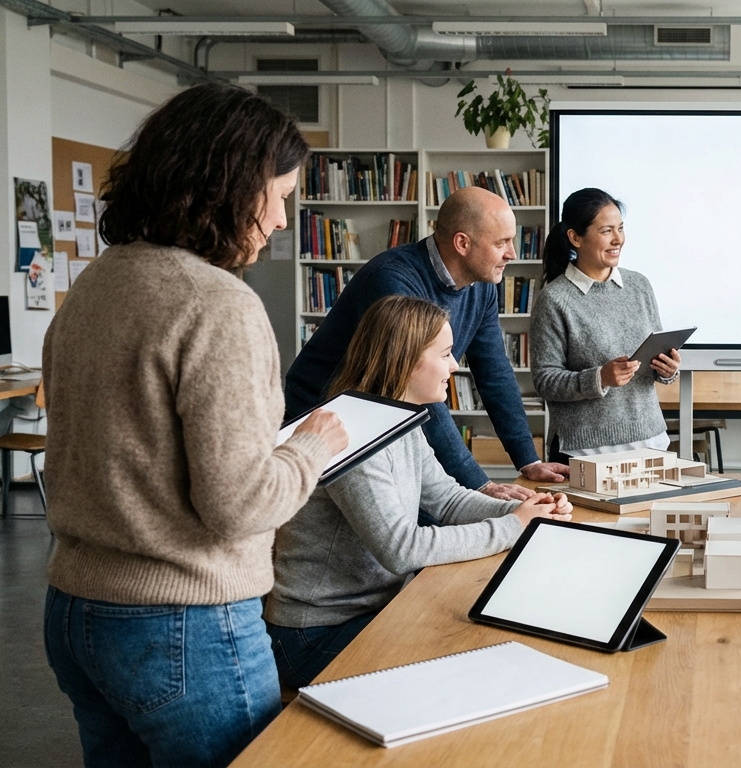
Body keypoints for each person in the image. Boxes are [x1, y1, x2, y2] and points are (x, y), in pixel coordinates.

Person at [42, 83, 350, 767]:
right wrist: (309, 449)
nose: (281, 220)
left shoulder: (95, 284)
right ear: (229, 185)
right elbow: (238, 505)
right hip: (183, 621)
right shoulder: (218, 305)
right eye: (278, 196)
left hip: (75, 609)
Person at [266, 296, 572, 688]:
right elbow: (401, 548)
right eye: (445, 354)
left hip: (374, 612)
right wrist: (513, 527)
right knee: (470, 655)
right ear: (407, 359)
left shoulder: (397, 419)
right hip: (312, 637)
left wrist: (528, 510)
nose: (455, 365)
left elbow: (447, 499)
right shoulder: (352, 432)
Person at [284, 187, 569, 501]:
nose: (512, 253)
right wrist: (479, 485)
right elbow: (416, 388)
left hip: (382, 417)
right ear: (462, 243)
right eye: (501, 243)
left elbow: (494, 372)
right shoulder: (391, 280)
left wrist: (528, 460)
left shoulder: (481, 286)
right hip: (323, 422)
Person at [529, 188, 681, 459]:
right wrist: (600, 378)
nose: (618, 239)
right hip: (584, 450)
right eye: (606, 231)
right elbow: (545, 380)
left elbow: (656, 357)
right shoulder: (554, 299)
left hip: (650, 441)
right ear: (575, 237)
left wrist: (667, 370)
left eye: (620, 228)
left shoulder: (639, 286)